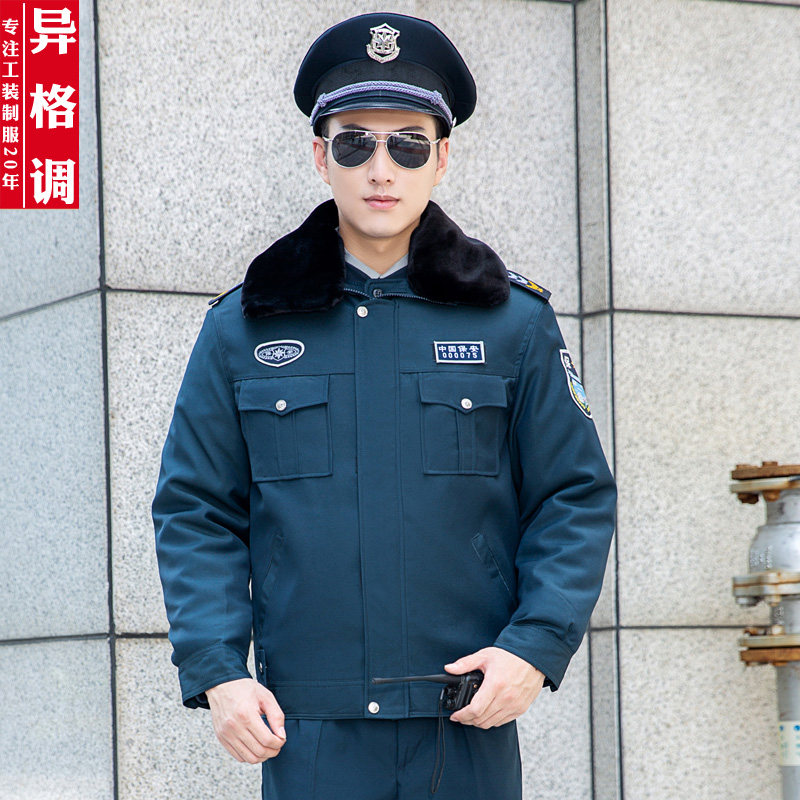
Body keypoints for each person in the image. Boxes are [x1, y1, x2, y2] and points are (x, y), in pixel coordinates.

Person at [152, 11, 616, 800]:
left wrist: (533, 648)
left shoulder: (512, 323)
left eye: (408, 145)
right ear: (320, 156)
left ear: (441, 159)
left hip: (463, 718)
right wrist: (218, 669)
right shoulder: (244, 327)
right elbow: (196, 510)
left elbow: (574, 497)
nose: (380, 169)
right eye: (354, 144)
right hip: (310, 732)